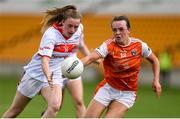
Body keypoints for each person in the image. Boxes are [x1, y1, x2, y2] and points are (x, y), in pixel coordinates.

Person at [2, 5, 90, 118]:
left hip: (55, 75)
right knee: (14, 111)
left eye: (75, 27)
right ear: (62, 22)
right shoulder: (51, 34)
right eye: (70, 26)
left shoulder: (79, 30)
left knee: (55, 106)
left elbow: (81, 45)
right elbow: (45, 60)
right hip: (36, 74)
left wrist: (94, 57)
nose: (73, 30)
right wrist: (48, 75)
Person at [81, 15, 162, 118]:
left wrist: (156, 80)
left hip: (127, 93)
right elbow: (90, 58)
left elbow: (155, 61)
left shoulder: (139, 45)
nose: (117, 33)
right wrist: (75, 65)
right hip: (108, 88)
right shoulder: (108, 45)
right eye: (114, 30)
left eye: (121, 29)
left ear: (128, 30)